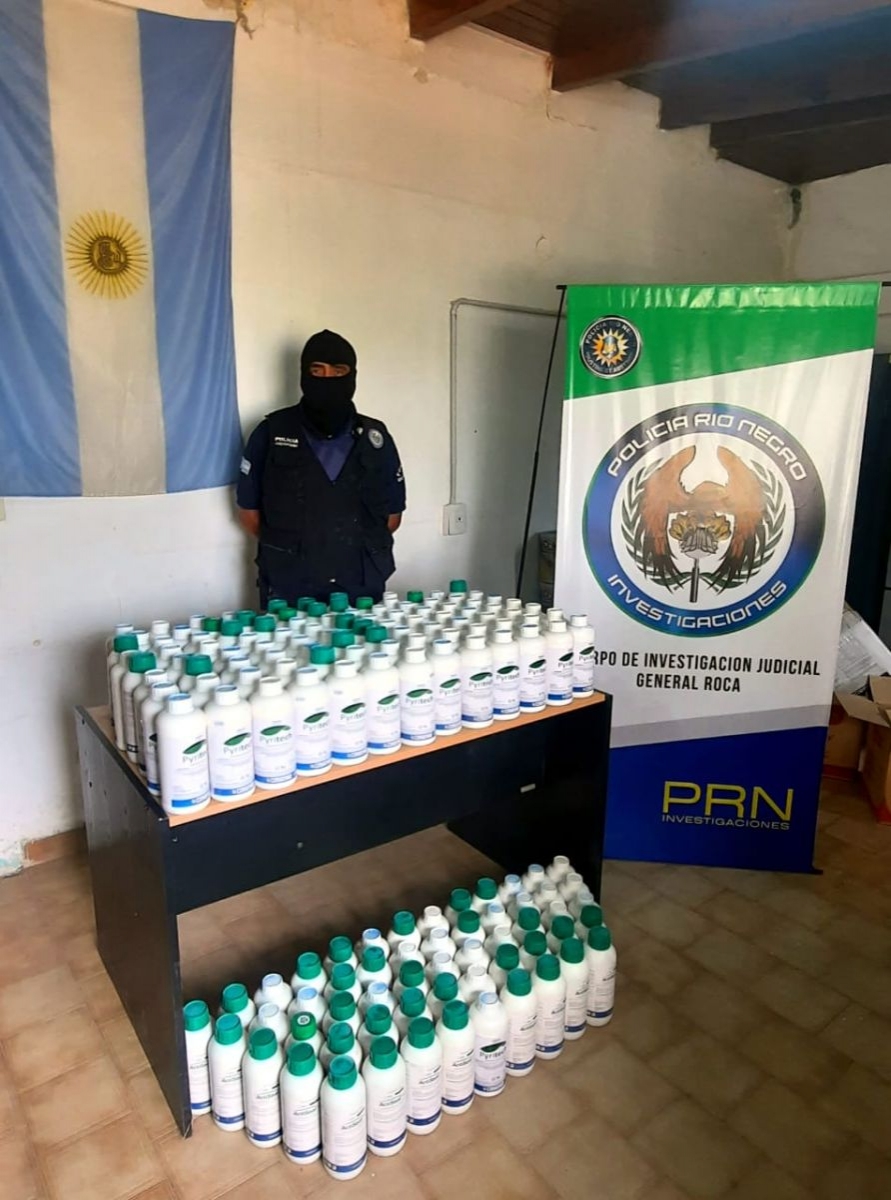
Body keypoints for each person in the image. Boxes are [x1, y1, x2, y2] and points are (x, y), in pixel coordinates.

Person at [236, 329, 405, 606]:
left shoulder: (375, 438)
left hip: (361, 585)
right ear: (304, 374)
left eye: (338, 372)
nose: (328, 380)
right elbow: (249, 515)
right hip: (290, 585)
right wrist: (297, 547)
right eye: (318, 371)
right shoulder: (272, 432)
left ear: (352, 376)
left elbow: (392, 517)